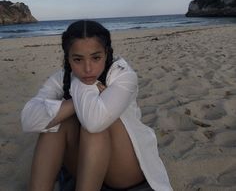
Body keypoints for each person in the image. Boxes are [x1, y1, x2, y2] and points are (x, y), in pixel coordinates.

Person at [21, 20, 173, 191]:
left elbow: (94, 122)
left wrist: (80, 85)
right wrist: (75, 101)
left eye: (96, 58)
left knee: (94, 126)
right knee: (58, 123)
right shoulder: (62, 77)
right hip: (87, 171)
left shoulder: (123, 74)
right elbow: (28, 119)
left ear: (106, 54)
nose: (88, 69)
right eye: (78, 59)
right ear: (68, 58)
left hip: (126, 175)